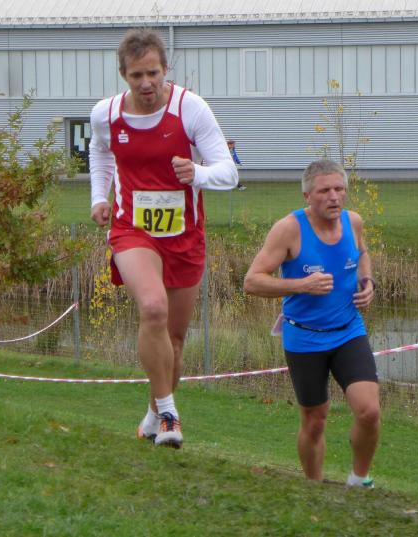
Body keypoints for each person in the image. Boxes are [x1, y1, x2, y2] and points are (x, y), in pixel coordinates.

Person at [89, 28, 238, 448]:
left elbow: (228, 172)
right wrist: (100, 196)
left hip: (183, 235)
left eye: (153, 73)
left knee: (174, 338)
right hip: (132, 230)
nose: (146, 83)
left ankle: (155, 415)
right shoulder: (106, 114)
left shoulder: (190, 108)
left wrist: (199, 173)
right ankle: (171, 416)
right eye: (137, 75)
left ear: (165, 69)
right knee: (152, 308)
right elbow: (99, 151)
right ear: (124, 75)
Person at [243, 159, 380, 487]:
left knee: (369, 411)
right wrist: (301, 285)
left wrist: (367, 282)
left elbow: (362, 253)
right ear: (307, 195)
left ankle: (359, 479)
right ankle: (313, 486)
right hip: (304, 336)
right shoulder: (288, 229)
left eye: (340, 189)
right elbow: (252, 281)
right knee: (315, 419)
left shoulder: (353, 221)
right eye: (324, 191)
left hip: (348, 331)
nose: (334, 196)